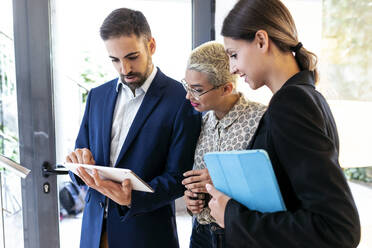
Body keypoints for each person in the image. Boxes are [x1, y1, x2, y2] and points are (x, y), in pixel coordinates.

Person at [205, 0, 361, 247]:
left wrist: (232, 216)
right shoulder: (307, 96)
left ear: (261, 40)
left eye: (234, 55)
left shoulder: (292, 103)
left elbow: (337, 229)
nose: (233, 68)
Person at [66, 8, 201, 248]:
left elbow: (179, 177)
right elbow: (80, 155)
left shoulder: (181, 100)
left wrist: (132, 198)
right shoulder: (97, 96)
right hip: (94, 233)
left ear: (151, 46)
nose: (124, 69)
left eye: (132, 57)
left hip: (146, 236)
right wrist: (78, 166)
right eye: (115, 60)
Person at [181, 41, 266, 248]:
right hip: (200, 233)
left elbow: (266, 187)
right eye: (186, 86)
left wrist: (220, 179)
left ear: (227, 88)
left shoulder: (261, 119)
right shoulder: (199, 121)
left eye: (197, 90)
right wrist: (191, 201)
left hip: (237, 236)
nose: (188, 96)